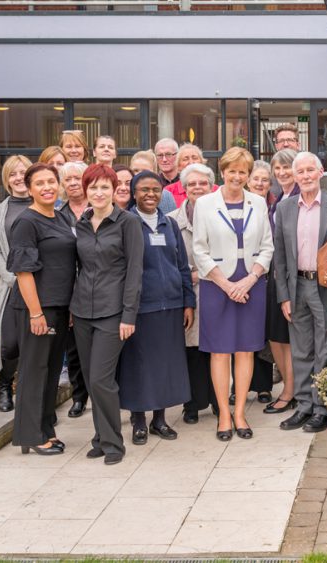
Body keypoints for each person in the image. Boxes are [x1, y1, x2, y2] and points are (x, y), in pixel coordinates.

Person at [193, 147, 274, 441]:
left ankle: (240, 412)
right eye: (232, 171)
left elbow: (267, 246)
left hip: (252, 285)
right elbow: (199, 249)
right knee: (220, 351)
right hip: (217, 286)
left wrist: (250, 279)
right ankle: (223, 416)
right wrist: (227, 285)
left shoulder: (259, 204)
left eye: (243, 171)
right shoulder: (204, 204)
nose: (237, 176)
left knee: (245, 350)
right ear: (222, 171)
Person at [72, 164, 144, 465]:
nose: (99, 193)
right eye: (93, 187)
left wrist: (129, 315)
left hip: (113, 312)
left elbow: (135, 272)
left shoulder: (128, 222)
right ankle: (100, 437)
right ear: (85, 191)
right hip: (82, 311)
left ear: (114, 191)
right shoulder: (82, 223)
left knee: (102, 379)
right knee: (91, 379)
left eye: (105, 187)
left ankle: (113, 443)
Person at [118, 171, 195, 445]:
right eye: (143, 190)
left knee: (165, 364)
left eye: (155, 189)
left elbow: (182, 265)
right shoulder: (126, 223)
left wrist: (188, 301)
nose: (150, 194)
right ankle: (138, 420)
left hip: (171, 305)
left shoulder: (169, 224)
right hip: (140, 307)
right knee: (138, 365)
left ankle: (159, 420)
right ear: (133, 193)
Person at [7, 163, 76, 455]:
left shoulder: (59, 217)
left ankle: (46, 428)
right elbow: (23, 272)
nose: (47, 187)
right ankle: (30, 435)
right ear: (30, 188)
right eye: (40, 183)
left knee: (49, 372)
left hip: (59, 306)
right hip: (37, 308)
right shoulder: (27, 222)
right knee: (34, 370)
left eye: (51, 181)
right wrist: (35, 313)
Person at [272, 151, 327, 433]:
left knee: (324, 348)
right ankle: (303, 406)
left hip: (325, 287)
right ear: (295, 176)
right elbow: (280, 256)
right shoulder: (285, 209)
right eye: (301, 172)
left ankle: (321, 407)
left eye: (311, 170)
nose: (306, 176)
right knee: (300, 349)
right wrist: (284, 295)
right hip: (296, 286)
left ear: (320, 172)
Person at [168, 163, 219, 424]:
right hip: (187, 293)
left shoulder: (221, 215)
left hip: (219, 291)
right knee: (191, 351)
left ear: (211, 187)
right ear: (184, 188)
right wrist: (197, 274)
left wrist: (208, 273)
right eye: (192, 184)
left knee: (217, 350)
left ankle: (218, 401)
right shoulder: (171, 221)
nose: (197, 188)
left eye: (203, 183)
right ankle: (192, 405)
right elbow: (170, 262)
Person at [0, 155, 31, 412]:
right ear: (7, 180)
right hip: (12, 286)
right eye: (12, 174)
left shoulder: (43, 206)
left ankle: (32, 396)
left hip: (39, 286)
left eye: (23, 172)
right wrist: (12, 278)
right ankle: (4, 385)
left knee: (35, 344)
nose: (18, 178)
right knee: (9, 342)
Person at [244, 159, 281, 405]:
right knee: (245, 333)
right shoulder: (241, 203)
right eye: (255, 179)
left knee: (264, 332)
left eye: (264, 179)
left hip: (268, 277)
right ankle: (243, 386)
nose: (260, 183)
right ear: (248, 180)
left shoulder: (275, 206)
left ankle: (264, 386)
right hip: (242, 276)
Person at [56, 161, 90, 419]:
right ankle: (79, 397)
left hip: (97, 287)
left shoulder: (99, 209)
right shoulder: (58, 214)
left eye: (77, 178)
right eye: (68, 179)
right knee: (74, 349)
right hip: (69, 289)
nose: (73, 183)